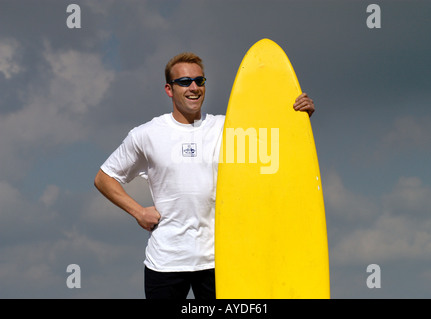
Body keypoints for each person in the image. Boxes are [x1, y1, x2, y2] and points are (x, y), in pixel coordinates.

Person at [94, 52, 315, 299]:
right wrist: (139, 212)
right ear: (169, 89)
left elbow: (275, 147)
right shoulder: (147, 135)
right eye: (185, 82)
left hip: (218, 260)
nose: (194, 88)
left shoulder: (227, 128)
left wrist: (299, 117)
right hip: (166, 259)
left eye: (200, 81)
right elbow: (104, 177)